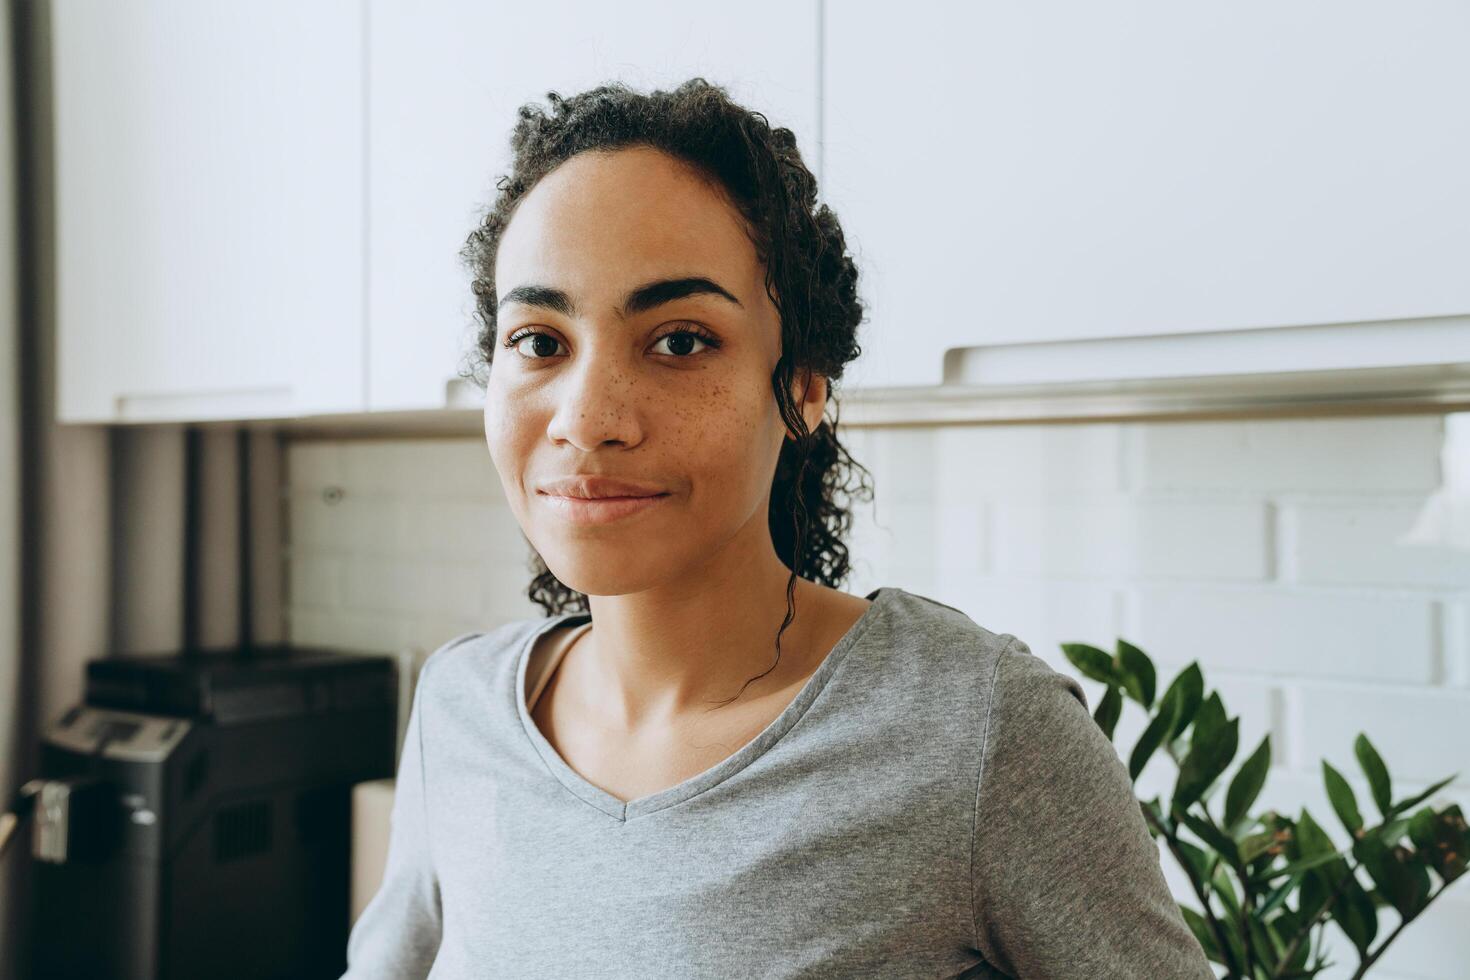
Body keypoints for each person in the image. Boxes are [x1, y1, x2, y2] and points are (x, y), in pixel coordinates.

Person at [341, 78, 1215, 979]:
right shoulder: (460, 707)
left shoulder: (980, 732)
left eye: (680, 340)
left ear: (802, 386)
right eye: (539, 341)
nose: (587, 417)